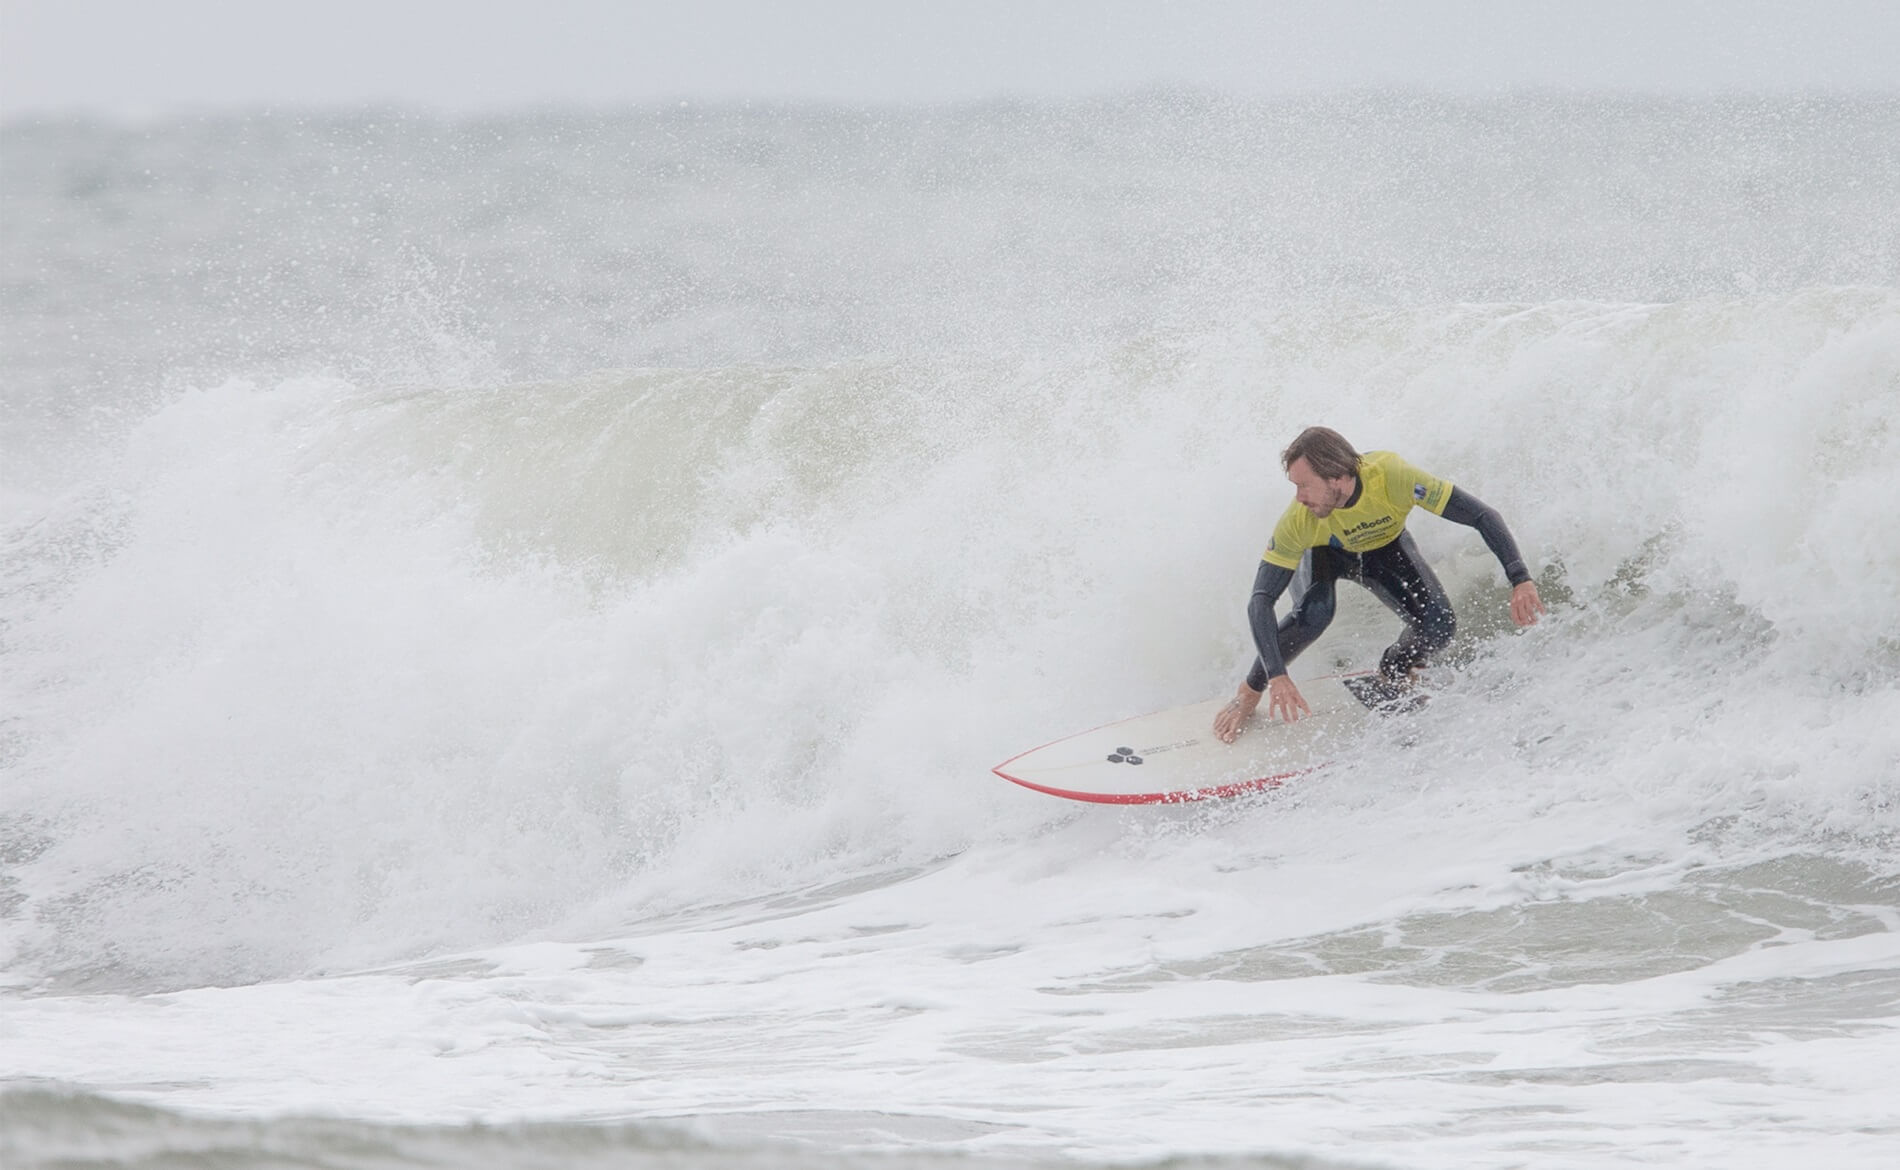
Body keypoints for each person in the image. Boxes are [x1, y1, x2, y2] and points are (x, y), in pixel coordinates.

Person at [1213, 426, 1545, 742]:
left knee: (1439, 626)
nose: (1298, 497)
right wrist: (1275, 676)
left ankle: (1395, 670)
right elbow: (1261, 600)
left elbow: (1481, 515)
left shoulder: (1393, 476)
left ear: (1339, 478)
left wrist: (1521, 579)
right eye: (1295, 487)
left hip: (1383, 548)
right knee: (1315, 613)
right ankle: (1247, 693)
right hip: (1322, 556)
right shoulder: (1301, 520)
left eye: (1305, 485)